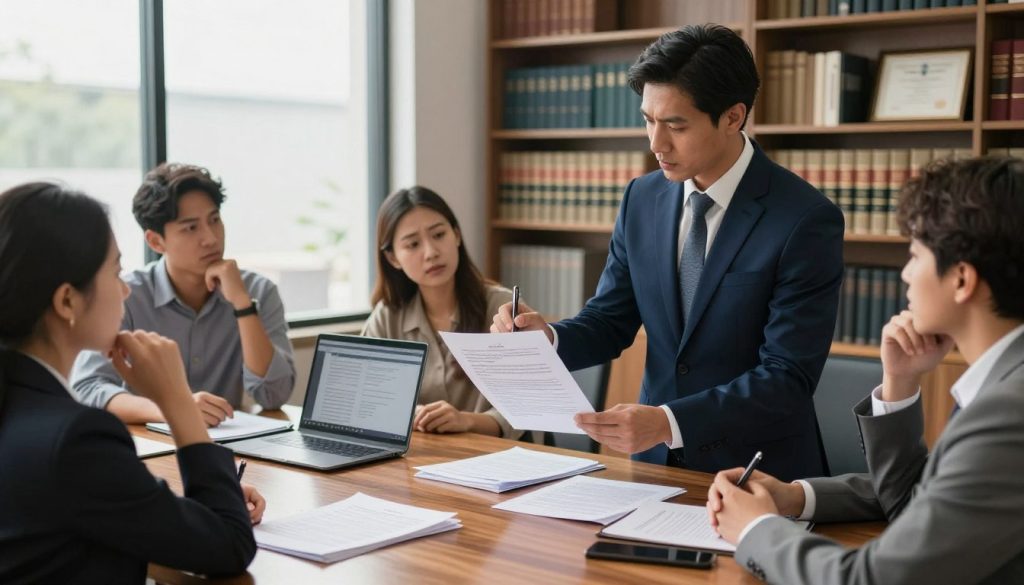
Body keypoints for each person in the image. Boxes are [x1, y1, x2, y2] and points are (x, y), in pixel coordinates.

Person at [491, 24, 843, 480]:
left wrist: (668, 421)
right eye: (648, 120)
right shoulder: (642, 198)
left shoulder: (804, 219)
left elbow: (787, 377)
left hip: (759, 476)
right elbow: (610, 320)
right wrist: (550, 339)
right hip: (655, 468)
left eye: (676, 125)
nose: (656, 144)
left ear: (733, 117)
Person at [707, 157, 1024, 584]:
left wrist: (756, 529)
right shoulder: (1005, 384)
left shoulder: (1008, 413)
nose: (906, 275)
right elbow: (925, 501)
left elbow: (870, 580)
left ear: (962, 279)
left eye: (914, 255)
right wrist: (795, 496)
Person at [0, 182, 266, 583]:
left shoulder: (18, 406)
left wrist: (156, 509)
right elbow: (229, 547)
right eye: (116, 271)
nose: (125, 289)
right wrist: (176, 399)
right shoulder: (77, 437)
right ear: (68, 301)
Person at [73, 163, 296, 426]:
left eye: (214, 220)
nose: (211, 238)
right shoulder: (127, 296)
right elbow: (88, 388)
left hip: (232, 451)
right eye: (191, 228)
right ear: (156, 241)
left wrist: (243, 306)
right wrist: (173, 410)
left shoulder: (257, 291)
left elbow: (274, 395)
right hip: (152, 446)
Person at [363, 186, 520, 438]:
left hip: (496, 458)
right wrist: (411, 415)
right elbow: (367, 399)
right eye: (413, 244)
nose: (431, 252)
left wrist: (466, 421)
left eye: (438, 235)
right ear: (393, 258)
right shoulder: (387, 317)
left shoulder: (502, 309)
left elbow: (523, 409)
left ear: (456, 235)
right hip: (421, 459)